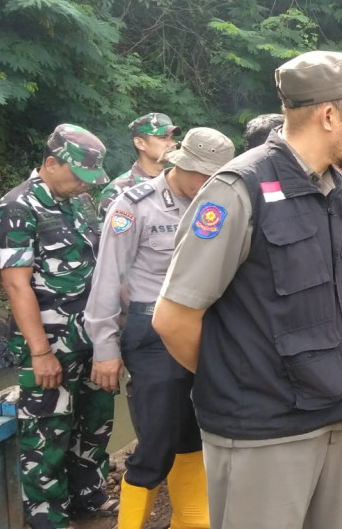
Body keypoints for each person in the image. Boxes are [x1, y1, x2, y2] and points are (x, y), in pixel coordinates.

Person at [152, 51, 342, 529]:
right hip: (264, 433)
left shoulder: (333, 187)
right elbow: (173, 319)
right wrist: (245, 379)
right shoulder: (239, 189)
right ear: (328, 114)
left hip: (335, 416)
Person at [86, 128, 235, 529]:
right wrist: (105, 347)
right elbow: (106, 278)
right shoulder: (135, 206)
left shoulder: (220, 202)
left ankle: (190, 520)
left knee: (196, 430)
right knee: (157, 439)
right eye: (202, 175)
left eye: (215, 177)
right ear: (180, 163)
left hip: (206, 327)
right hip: (151, 331)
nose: (208, 184)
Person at [0, 124, 116, 529]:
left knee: (94, 423)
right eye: (78, 177)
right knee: (47, 435)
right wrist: (40, 352)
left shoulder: (78, 204)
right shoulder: (17, 207)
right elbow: (16, 283)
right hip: (50, 346)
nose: (84, 186)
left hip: (90, 341)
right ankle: (49, 517)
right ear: (51, 163)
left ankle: (89, 496)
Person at [99, 113, 181, 218]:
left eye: (172, 138)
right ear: (140, 143)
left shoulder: (177, 184)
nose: (171, 144)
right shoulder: (117, 191)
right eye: (163, 138)